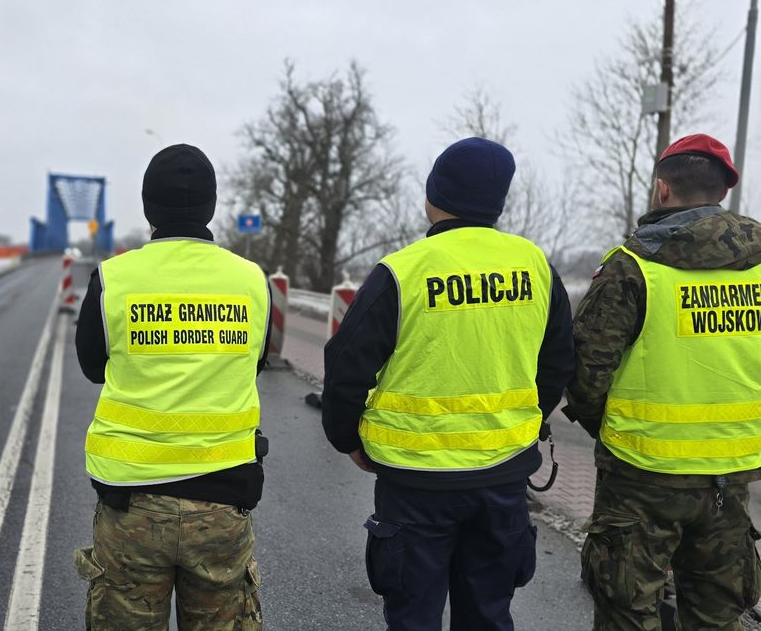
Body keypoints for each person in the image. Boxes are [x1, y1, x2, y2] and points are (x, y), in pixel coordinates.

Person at [322, 137, 575, 630]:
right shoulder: (536, 266)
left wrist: (348, 439)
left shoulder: (402, 271)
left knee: (413, 614)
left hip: (414, 481)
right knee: (488, 612)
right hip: (502, 478)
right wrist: (523, 420)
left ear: (432, 196)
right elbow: (559, 360)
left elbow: (347, 365)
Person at [566, 133, 761, 630]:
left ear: (662, 189)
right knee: (718, 617)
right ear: (722, 191)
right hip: (732, 474)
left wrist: (612, 430)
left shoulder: (632, 267)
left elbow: (586, 374)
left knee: (627, 611)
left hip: (640, 475)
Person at [73, 144, 270, 630]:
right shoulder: (252, 282)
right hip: (223, 503)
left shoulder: (113, 279)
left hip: (132, 508)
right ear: (212, 206)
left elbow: (92, 366)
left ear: (147, 207)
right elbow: (255, 362)